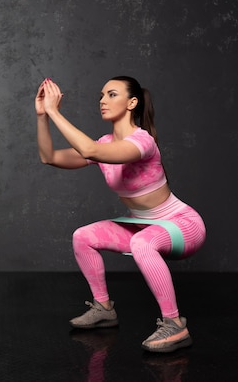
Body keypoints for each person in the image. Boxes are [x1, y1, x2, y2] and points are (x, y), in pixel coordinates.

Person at [35, 76, 206, 353]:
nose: (103, 100)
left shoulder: (142, 141)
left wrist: (56, 111)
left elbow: (90, 149)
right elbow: (50, 157)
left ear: (132, 102)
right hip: (141, 226)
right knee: (83, 236)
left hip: (182, 225)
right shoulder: (104, 143)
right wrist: (43, 115)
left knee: (142, 243)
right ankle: (103, 308)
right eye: (101, 95)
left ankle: (175, 324)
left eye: (112, 94)